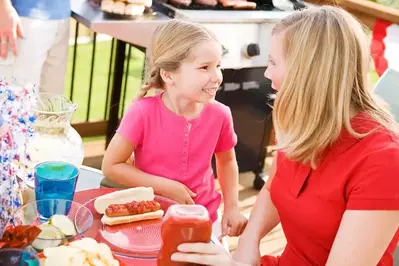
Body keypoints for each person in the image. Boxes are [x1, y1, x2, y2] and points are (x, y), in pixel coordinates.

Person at [169, 6, 399, 266]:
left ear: (308, 71)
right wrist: (249, 242)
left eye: (273, 63)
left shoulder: (384, 160)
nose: (267, 74)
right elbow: (274, 184)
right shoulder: (298, 116)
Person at [102, 20, 248, 241]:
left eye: (218, 65)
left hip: (203, 217)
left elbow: (226, 161)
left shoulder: (220, 114)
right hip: (151, 215)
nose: (217, 76)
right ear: (168, 75)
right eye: (204, 67)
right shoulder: (142, 113)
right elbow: (111, 166)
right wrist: (168, 187)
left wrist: (232, 208)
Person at [0, 0, 70, 94]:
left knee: (52, 103)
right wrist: (3, 7)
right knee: (17, 100)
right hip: (21, 18)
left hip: (61, 15)